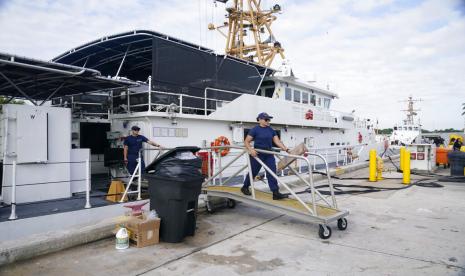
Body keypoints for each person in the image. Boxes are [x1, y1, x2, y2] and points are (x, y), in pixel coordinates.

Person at [241, 112, 290, 200]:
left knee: (272, 172)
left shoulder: (271, 130)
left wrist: (286, 149)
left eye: (269, 119)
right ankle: (245, 187)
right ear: (259, 119)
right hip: (258, 155)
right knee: (253, 172)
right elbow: (246, 141)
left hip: (269, 154)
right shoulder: (255, 129)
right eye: (266, 119)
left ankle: (275, 193)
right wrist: (251, 150)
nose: (268, 121)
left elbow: (277, 141)